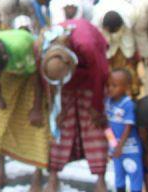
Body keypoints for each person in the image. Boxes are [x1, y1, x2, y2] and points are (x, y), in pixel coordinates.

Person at [42, 19, 109, 192]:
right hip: (62, 85)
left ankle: (100, 179)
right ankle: (53, 175)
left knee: (95, 127)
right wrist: (55, 108)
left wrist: (96, 106)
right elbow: (46, 81)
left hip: (91, 77)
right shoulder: (43, 46)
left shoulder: (87, 46)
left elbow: (100, 74)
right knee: (59, 126)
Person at [0, 28, 47, 191]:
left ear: (6, 59)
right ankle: (1, 173)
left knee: (36, 123)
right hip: (7, 76)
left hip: (31, 74)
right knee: (1, 124)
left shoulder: (22, 47)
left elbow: (37, 77)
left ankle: (38, 174)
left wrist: (36, 107)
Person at [105, 69, 143, 192]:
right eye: (108, 85)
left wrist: (120, 146)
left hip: (130, 149)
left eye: (114, 86)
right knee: (119, 177)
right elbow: (107, 126)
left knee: (134, 175)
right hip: (116, 149)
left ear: (126, 87)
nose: (110, 88)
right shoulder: (108, 102)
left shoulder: (128, 104)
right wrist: (112, 146)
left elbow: (128, 127)